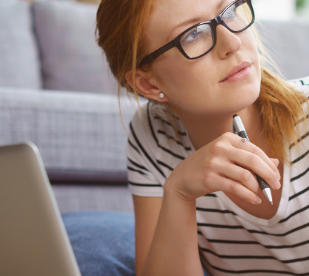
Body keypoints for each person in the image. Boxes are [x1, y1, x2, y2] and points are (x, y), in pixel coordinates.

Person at [95, 0, 309, 275]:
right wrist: (180, 193)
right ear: (148, 83)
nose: (232, 42)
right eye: (193, 33)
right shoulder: (154, 135)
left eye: (229, 11)